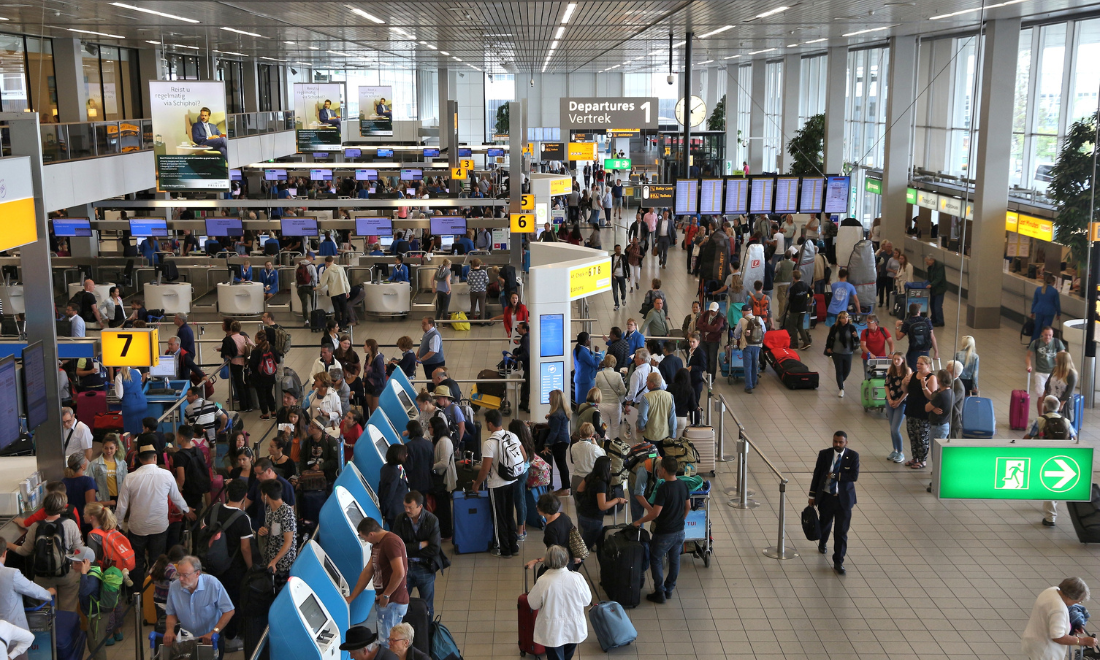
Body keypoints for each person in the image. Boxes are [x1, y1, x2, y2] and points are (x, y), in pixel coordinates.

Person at [116, 444, 190, 583]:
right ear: (155, 457)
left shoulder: (130, 478)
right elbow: (176, 498)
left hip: (137, 527)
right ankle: (153, 590)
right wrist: (186, 510)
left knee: (136, 560)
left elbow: (122, 506)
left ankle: (136, 592)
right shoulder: (166, 474)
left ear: (140, 459)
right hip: (159, 526)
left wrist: (118, 525)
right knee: (156, 560)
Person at [7, 492, 86, 612]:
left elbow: (24, 551)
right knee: (68, 609)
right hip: (67, 573)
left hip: (42, 575)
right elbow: (79, 550)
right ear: (63, 507)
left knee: (47, 611)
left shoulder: (35, 526)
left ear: (44, 508)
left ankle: (51, 630)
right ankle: (65, 629)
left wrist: (7, 544)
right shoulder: (70, 524)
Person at [197, 479, 252, 645]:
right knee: (232, 602)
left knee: (213, 600)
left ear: (227, 493)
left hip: (211, 565)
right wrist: (250, 568)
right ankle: (230, 637)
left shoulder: (214, 509)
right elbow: (245, 548)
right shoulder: (243, 518)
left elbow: (203, 529)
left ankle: (211, 634)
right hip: (233, 569)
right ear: (244, 496)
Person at [630, 456, 689, 603]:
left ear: (663, 470)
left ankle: (659, 592)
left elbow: (655, 513)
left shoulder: (663, 488)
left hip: (664, 533)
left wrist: (639, 521)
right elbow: (687, 506)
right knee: (674, 559)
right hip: (680, 532)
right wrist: (681, 520)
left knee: (655, 558)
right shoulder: (682, 485)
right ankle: (669, 590)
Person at [348, 518, 410, 648]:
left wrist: (386, 594)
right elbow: (367, 572)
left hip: (392, 601)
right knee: (386, 641)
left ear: (371, 534)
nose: (365, 541)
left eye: (365, 538)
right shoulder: (378, 544)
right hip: (386, 601)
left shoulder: (390, 542)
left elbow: (399, 572)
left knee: (389, 643)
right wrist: (352, 597)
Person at [471, 409, 524, 558]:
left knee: (498, 517)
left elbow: (485, 468)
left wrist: (477, 484)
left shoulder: (489, 443)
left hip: (497, 485)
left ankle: (503, 548)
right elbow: (524, 456)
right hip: (513, 480)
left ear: (489, 423)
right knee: (509, 514)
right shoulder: (512, 435)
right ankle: (513, 546)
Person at [524, 545, 591, 660]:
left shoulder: (543, 581)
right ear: (566, 559)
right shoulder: (577, 578)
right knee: (568, 656)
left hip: (552, 629)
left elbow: (533, 604)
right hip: (574, 626)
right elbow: (586, 601)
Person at [807, 431, 859, 575]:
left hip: (844, 501)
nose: (837, 444)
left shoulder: (853, 456)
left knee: (841, 532)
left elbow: (854, 476)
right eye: (835, 441)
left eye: (840, 442)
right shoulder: (825, 454)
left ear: (846, 442)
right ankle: (823, 542)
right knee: (824, 524)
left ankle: (838, 561)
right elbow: (817, 474)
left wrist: (835, 475)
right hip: (826, 497)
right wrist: (812, 495)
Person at [163, 555, 234, 653]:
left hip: (212, 638)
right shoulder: (174, 587)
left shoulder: (212, 583)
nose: (181, 579)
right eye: (179, 575)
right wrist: (169, 630)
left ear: (197, 573)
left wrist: (214, 631)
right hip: (187, 638)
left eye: (185, 575)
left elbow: (229, 610)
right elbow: (171, 613)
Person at [392, 491, 442, 619]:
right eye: (405, 507)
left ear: (420, 507)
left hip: (425, 566)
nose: (407, 510)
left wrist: (407, 549)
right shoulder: (400, 519)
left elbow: (434, 549)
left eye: (410, 507)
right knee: (400, 604)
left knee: (427, 606)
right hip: (405, 567)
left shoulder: (432, 520)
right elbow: (397, 547)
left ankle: (427, 634)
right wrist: (420, 545)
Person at [1020, 577, 1096, 659]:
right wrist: (1083, 641)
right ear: (1070, 597)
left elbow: (1050, 618)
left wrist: (1070, 627)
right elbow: (1058, 637)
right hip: (1046, 652)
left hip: (1033, 642)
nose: (1078, 603)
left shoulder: (1051, 590)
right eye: (1078, 601)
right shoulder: (1059, 609)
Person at [0, 545, 53, 639]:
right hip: (12, 633)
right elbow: (33, 590)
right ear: (4, 553)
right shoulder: (12, 574)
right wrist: (48, 593)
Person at [257, 479, 296, 582]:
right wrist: (263, 531)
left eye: (261, 494)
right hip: (270, 560)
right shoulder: (269, 509)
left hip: (283, 565)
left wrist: (274, 561)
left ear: (266, 496)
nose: (261, 497)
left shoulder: (286, 512)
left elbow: (288, 542)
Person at [902, 356, 935, 470]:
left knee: (922, 436)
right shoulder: (913, 375)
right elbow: (906, 391)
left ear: (928, 365)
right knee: (912, 435)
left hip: (922, 411)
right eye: (917, 363)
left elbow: (932, 397)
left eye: (921, 364)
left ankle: (922, 460)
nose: (918, 365)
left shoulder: (931, 378)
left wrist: (924, 386)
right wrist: (904, 383)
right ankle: (915, 457)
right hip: (911, 409)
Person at [1027, 326, 1067, 417]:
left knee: (1053, 395)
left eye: (1050, 335)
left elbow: (1063, 356)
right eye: (1046, 335)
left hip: (1054, 373)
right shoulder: (1036, 343)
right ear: (1042, 334)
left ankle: (1053, 414)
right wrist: (1029, 365)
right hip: (1040, 372)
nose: (1048, 337)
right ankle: (1041, 416)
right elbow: (1028, 356)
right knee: (1041, 395)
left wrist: (1060, 364)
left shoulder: (1057, 343)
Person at [824, 311, 859, 398]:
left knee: (847, 370)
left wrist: (855, 336)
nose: (845, 319)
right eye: (843, 318)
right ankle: (841, 388)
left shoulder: (851, 328)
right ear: (839, 319)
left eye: (847, 317)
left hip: (848, 353)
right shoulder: (835, 328)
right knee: (839, 370)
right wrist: (828, 347)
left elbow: (857, 341)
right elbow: (830, 338)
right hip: (837, 352)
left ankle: (841, 381)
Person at [895, 303, 939, 371]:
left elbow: (898, 337)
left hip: (913, 351)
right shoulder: (927, 321)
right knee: (924, 371)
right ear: (919, 311)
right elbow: (932, 337)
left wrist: (897, 326)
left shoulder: (908, 323)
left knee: (914, 372)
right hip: (925, 350)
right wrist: (936, 352)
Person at [543, 391, 571, 495]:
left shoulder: (556, 415)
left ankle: (565, 488)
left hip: (559, 442)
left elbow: (554, 432)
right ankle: (565, 487)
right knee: (562, 464)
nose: (548, 399)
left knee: (561, 465)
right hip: (564, 440)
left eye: (550, 398)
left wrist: (547, 445)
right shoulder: (562, 411)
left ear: (555, 399)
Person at [884, 353, 910, 464]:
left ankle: (901, 452)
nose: (896, 361)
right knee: (892, 427)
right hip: (890, 401)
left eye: (898, 359)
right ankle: (894, 450)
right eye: (894, 359)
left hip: (902, 402)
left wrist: (898, 401)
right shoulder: (891, 369)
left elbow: (907, 390)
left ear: (903, 360)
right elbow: (886, 385)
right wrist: (889, 399)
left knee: (895, 428)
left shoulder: (907, 371)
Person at [733, 307, 766, 394]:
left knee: (747, 366)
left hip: (747, 346)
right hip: (757, 345)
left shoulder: (742, 320)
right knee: (755, 364)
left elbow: (736, 333)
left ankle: (748, 386)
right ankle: (754, 382)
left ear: (743, 312)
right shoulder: (759, 319)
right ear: (751, 311)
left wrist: (738, 337)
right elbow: (764, 331)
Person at [636, 372, 676, 444]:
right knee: (662, 455)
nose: (646, 382)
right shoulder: (669, 396)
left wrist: (640, 427)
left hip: (651, 435)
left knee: (652, 454)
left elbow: (642, 416)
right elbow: (672, 417)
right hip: (665, 435)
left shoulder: (646, 397)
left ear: (652, 384)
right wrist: (673, 434)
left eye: (647, 380)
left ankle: (652, 456)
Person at [248, 331, 280, 419]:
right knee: (269, 393)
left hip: (259, 377)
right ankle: (273, 412)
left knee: (261, 395)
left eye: (256, 338)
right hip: (270, 375)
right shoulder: (271, 348)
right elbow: (278, 360)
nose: (255, 339)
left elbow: (252, 365)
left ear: (259, 339)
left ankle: (265, 414)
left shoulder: (256, 351)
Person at [595, 355, 626, 441]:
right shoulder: (617, 375)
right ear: (614, 363)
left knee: (605, 427)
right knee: (615, 427)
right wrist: (617, 393)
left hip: (602, 404)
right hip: (615, 404)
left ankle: (606, 445)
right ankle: (614, 446)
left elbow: (596, 390)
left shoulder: (599, 374)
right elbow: (623, 391)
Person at [319, 255, 351, 329]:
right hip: (342, 291)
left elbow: (322, 283)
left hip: (334, 293)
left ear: (326, 263)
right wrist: (347, 291)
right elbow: (345, 280)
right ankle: (344, 325)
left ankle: (337, 326)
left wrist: (316, 287)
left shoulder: (327, 271)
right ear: (333, 261)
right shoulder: (340, 268)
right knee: (344, 309)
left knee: (337, 310)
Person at [403, 421, 434, 495]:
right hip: (426, 480)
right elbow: (431, 464)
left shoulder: (408, 446)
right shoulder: (429, 444)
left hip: (414, 482)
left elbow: (409, 466)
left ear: (410, 431)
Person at [1030, 273, 1063, 341]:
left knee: (1037, 328)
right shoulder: (1054, 291)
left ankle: (1033, 343)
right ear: (1053, 282)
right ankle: (1044, 343)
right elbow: (1057, 303)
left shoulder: (1038, 289)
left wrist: (1032, 311)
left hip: (1039, 310)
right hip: (1049, 312)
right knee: (1046, 329)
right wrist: (1058, 313)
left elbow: (1034, 301)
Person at [925, 368, 955, 441]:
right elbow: (933, 395)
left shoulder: (941, 395)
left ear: (939, 380)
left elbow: (926, 408)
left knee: (936, 451)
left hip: (938, 427)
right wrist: (934, 407)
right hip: (945, 424)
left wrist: (932, 407)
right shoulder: (951, 392)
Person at [572, 332, 600, 404]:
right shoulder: (583, 352)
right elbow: (595, 364)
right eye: (589, 339)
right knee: (587, 401)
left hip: (579, 378)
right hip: (586, 380)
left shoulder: (576, 350)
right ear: (586, 341)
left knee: (578, 401)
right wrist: (597, 353)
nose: (590, 340)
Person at [925, 255, 947, 327]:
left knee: (937, 305)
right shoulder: (931, 267)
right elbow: (930, 277)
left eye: (927, 261)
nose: (926, 263)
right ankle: (934, 319)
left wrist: (931, 284)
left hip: (939, 288)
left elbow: (938, 278)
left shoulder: (939, 266)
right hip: (933, 288)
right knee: (932, 304)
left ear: (932, 260)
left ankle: (940, 321)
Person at [610, 244, 627, 311]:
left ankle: (623, 298)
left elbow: (627, 266)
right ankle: (616, 304)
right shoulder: (612, 257)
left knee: (623, 290)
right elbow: (609, 266)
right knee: (615, 291)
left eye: (620, 249)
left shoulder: (623, 257)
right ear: (615, 250)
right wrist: (611, 273)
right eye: (617, 249)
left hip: (622, 276)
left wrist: (628, 275)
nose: (619, 250)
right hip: (615, 277)